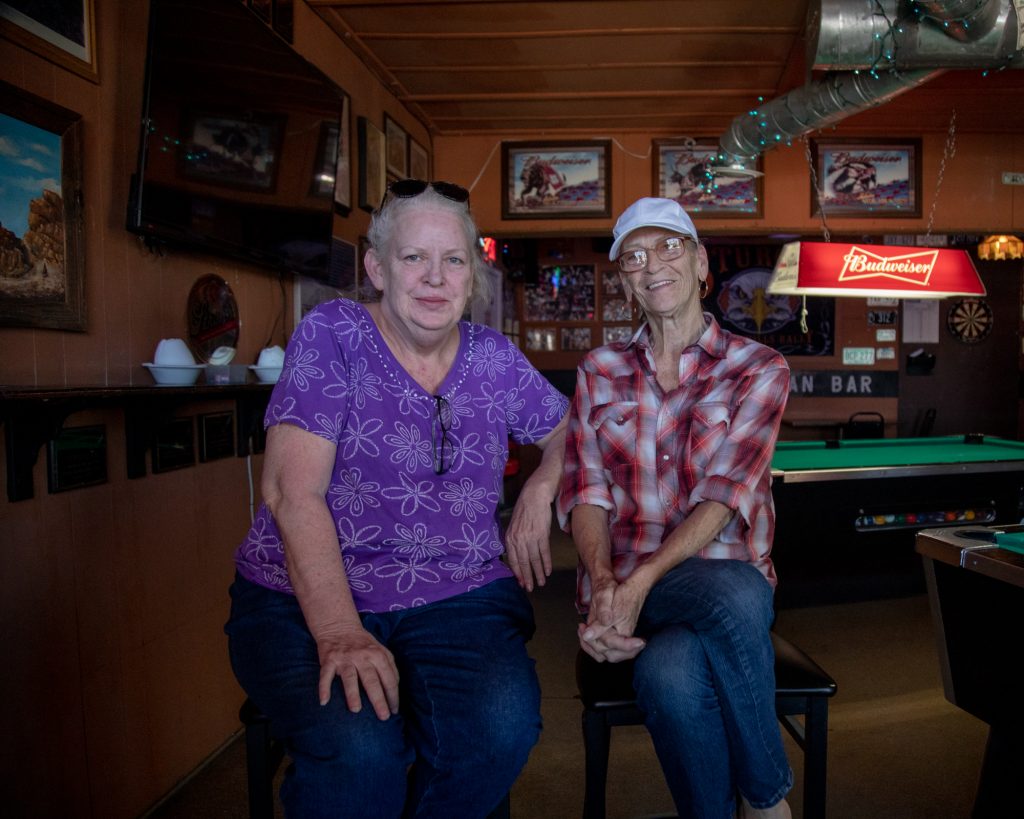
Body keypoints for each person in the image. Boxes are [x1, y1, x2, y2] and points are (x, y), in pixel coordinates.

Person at [226, 179, 569, 819]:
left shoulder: (494, 358)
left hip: (456, 592)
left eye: (453, 260)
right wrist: (338, 632)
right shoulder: (335, 333)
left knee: (500, 732)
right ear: (378, 268)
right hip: (302, 599)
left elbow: (568, 431)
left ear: (473, 275)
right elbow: (289, 490)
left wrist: (542, 485)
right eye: (414, 258)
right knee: (361, 755)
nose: (434, 278)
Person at [557, 197, 793, 819]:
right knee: (731, 601)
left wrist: (634, 587)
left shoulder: (759, 368)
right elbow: (585, 491)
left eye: (668, 247)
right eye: (634, 255)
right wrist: (608, 584)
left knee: (674, 668)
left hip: (713, 581)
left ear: (700, 263)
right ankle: (769, 800)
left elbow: (725, 496)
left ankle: (751, 803)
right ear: (626, 280)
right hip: (632, 590)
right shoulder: (598, 370)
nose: (651, 263)